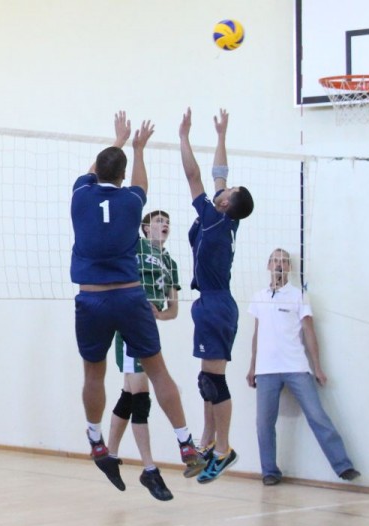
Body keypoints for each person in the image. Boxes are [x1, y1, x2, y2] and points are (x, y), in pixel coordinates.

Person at [71, 111, 204, 492]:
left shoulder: (80, 195)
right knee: (158, 371)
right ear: (123, 176)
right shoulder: (132, 201)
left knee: (94, 374)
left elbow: (97, 169)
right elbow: (140, 183)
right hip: (131, 297)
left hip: (92, 300)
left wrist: (118, 140)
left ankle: (96, 439)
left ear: (96, 172)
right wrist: (138, 148)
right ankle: (185, 442)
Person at [178, 107, 254, 484]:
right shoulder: (227, 218)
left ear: (225, 202)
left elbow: (194, 176)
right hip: (212, 303)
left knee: (214, 383)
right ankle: (208, 441)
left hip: (216, 305)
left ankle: (223, 449)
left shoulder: (213, 217)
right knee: (206, 380)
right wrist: (222, 135)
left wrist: (183, 137)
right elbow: (219, 173)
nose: (224, 186)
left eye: (228, 190)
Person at [247, 248, 361, 485]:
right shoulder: (259, 296)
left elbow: (309, 331)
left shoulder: (299, 295)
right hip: (266, 370)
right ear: (268, 266)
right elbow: (257, 334)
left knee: (317, 415)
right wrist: (252, 367)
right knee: (263, 423)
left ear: (289, 267)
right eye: (275, 261)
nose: (279, 264)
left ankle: (343, 466)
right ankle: (269, 472)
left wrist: (317, 367)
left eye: (284, 261)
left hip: (296, 367)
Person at [107, 209, 180, 501]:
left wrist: (160, 314)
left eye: (167, 222)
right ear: (146, 228)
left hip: (149, 329)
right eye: (159, 221)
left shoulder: (170, 263)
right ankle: (150, 469)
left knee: (129, 394)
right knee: (140, 396)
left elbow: (173, 310)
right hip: (128, 325)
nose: (164, 225)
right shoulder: (135, 247)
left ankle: (109, 455)